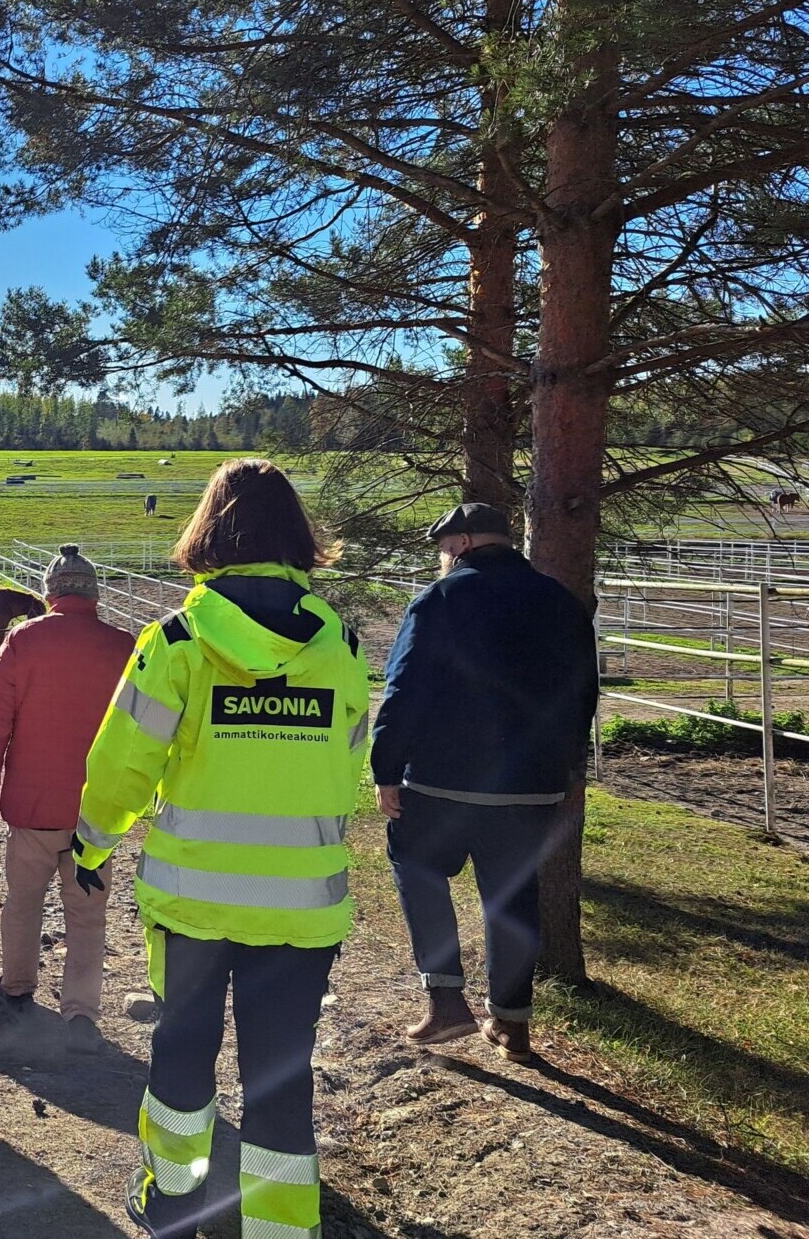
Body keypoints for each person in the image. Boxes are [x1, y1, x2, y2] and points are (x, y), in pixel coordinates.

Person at [72, 458, 369, 1239]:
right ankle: (277, 1228)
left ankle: (175, 1202)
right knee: (280, 1073)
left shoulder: (174, 642)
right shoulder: (338, 643)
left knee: (182, 1059)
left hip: (193, 904)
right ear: (296, 535)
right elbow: (349, 760)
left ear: (209, 528)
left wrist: (91, 845)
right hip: (304, 908)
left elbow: (122, 765)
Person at [372, 502, 599, 1063]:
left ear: (465, 544)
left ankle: (446, 1001)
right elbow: (584, 695)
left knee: (416, 867)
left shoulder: (439, 600)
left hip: (443, 781)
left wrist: (385, 770)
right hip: (532, 784)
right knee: (512, 896)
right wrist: (570, 770)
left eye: (445, 550)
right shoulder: (562, 603)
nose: (442, 560)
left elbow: (404, 691)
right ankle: (512, 1023)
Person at [0, 544, 134, 1052]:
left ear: (51, 591)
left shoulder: (23, 642)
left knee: (23, 901)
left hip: (34, 807)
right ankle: (81, 1009)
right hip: (97, 812)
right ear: (94, 593)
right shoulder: (125, 646)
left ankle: (18, 986)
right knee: (88, 913)